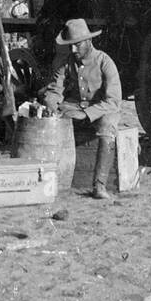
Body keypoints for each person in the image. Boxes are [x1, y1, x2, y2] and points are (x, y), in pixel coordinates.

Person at [40, 19, 124, 199]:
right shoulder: (66, 62)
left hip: (101, 109)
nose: (73, 49)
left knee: (108, 125)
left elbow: (114, 101)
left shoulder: (105, 62)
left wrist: (86, 114)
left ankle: (99, 185)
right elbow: (55, 90)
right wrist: (51, 105)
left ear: (88, 41)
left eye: (77, 45)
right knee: (55, 116)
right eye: (70, 45)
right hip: (75, 107)